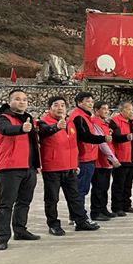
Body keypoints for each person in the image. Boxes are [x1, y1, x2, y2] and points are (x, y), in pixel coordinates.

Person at [38, 96, 100, 235]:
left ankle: (81, 221)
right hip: (52, 168)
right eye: (56, 105)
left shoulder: (70, 123)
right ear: (50, 108)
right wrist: (56, 126)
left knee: (75, 196)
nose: (60, 108)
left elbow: (73, 145)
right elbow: (45, 131)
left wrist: (75, 163)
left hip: (70, 167)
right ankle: (53, 224)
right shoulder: (43, 123)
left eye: (62, 105)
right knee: (52, 198)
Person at [0, 90, 41, 251]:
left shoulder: (29, 119)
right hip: (10, 168)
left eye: (24, 99)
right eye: (17, 99)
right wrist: (22, 128)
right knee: (6, 204)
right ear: (9, 102)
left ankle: (20, 230)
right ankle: (2, 237)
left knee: (24, 202)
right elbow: (6, 130)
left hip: (29, 168)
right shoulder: (2, 118)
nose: (22, 102)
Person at [69, 92, 109, 221]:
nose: (90, 104)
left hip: (89, 156)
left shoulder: (86, 116)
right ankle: (79, 217)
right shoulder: (78, 117)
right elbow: (84, 136)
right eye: (87, 101)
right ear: (79, 102)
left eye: (92, 101)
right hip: (83, 158)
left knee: (82, 189)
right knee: (81, 189)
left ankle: (78, 215)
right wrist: (103, 138)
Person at [90, 101, 121, 220]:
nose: (106, 111)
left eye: (107, 109)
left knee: (104, 187)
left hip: (106, 161)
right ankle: (96, 212)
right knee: (98, 188)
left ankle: (103, 209)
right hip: (100, 160)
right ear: (96, 111)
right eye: (103, 109)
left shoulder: (104, 123)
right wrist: (112, 158)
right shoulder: (95, 122)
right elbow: (102, 143)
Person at [109, 101, 133, 216]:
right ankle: (117, 207)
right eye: (128, 109)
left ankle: (126, 205)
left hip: (132, 157)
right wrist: (125, 137)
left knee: (128, 184)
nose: (131, 111)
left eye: (132, 109)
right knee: (119, 184)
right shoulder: (115, 121)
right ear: (121, 110)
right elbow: (115, 137)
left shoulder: (132, 122)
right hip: (121, 158)